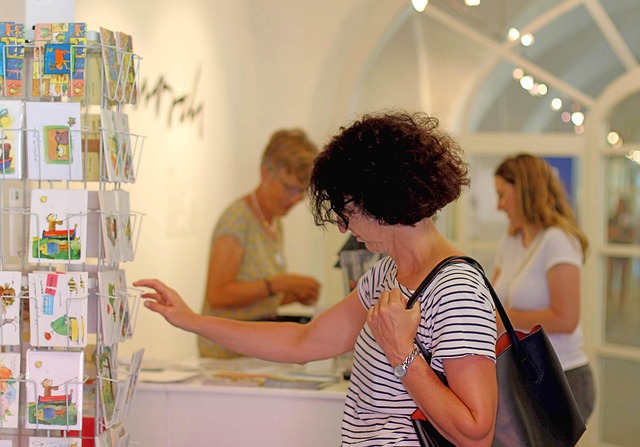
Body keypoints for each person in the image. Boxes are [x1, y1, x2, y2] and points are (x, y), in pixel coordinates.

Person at [135, 111, 498, 446]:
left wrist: (402, 351)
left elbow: (476, 434)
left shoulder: (455, 289)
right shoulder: (387, 274)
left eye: (347, 211)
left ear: (382, 200)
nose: (343, 227)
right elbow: (302, 342)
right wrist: (193, 321)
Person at [198, 128, 321, 358]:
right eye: (288, 188)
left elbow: (255, 298)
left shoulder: (273, 221)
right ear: (265, 173)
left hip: (250, 350)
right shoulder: (237, 221)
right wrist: (280, 284)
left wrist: (294, 293)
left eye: (301, 191)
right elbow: (218, 295)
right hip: (225, 357)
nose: (295, 198)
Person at [492, 153, 595, 422]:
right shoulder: (509, 242)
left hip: (563, 376)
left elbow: (566, 319)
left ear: (524, 191)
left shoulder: (558, 240)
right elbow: (493, 304)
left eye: (502, 195)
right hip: (525, 375)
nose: (499, 206)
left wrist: (506, 318)